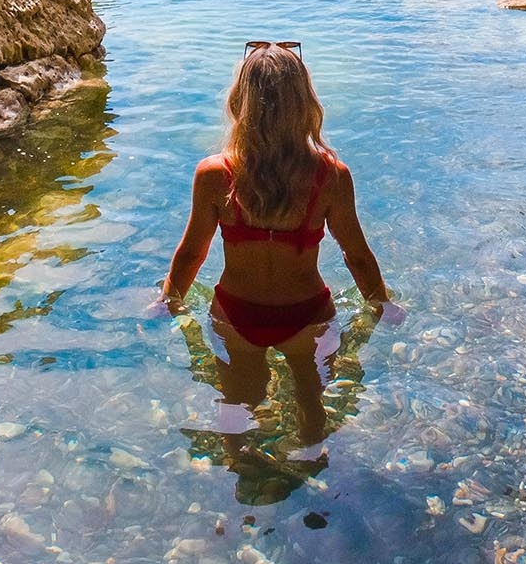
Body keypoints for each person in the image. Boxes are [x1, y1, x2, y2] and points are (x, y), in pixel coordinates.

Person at [161, 40, 390, 457]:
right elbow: (357, 255)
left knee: (236, 403)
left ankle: (238, 468)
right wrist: (381, 304)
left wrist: (168, 299)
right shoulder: (331, 176)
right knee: (310, 402)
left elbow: (192, 252)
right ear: (306, 104)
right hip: (306, 318)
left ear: (239, 103)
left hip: (237, 315)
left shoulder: (214, 174)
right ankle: (311, 461)